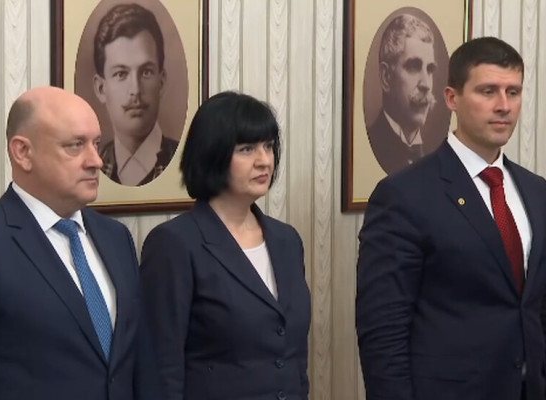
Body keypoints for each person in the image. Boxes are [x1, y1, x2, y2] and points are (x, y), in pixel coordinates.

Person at [0, 86, 162, 400]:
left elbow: (140, 365)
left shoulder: (115, 237)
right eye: (75, 145)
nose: (96, 161)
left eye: (97, 143)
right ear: (23, 152)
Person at [356, 37, 546, 400]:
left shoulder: (536, 192)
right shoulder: (405, 195)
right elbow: (383, 331)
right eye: (488, 91)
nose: (504, 106)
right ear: (451, 98)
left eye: (513, 92)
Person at [140, 91, 311, 400]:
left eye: (268, 146)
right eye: (246, 149)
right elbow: (162, 367)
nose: (264, 160)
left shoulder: (286, 240)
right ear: (212, 154)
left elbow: (293, 356)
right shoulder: (175, 244)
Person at [93, 3, 177, 186]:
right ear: (100, 89)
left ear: (161, 82)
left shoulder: (186, 161)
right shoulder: (92, 165)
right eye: (121, 74)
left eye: (146, 72)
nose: (136, 90)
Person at [367, 13, 438, 174]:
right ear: (386, 77)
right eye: (413, 67)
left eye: (430, 69)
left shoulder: (437, 156)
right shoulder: (372, 143)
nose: (426, 84)